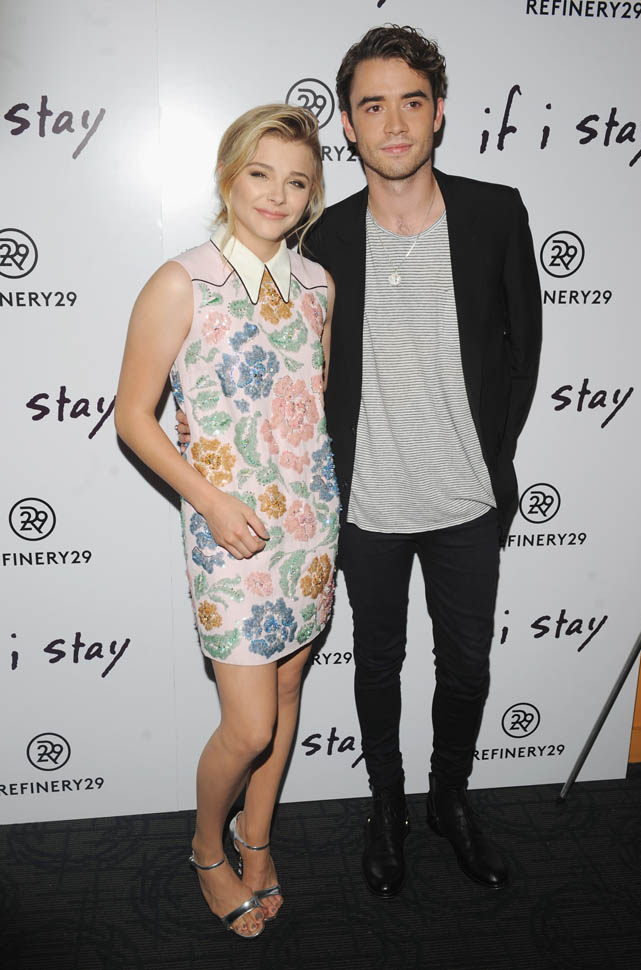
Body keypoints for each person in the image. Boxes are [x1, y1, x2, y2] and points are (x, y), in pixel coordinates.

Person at [178, 24, 541, 898]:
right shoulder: (322, 242)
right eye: (373, 106)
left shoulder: (497, 213)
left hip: (467, 501)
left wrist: (493, 461)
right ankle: (387, 808)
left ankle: (449, 799)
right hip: (363, 507)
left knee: (468, 666)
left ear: (439, 111)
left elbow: (523, 352)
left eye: (412, 101)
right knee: (375, 667)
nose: (395, 123)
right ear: (348, 124)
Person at [115, 104, 339, 938]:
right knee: (247, 726)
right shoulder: (183, 282)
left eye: (297, 182)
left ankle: (258, 837)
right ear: (226, 176)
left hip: (310, 529)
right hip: (227, 535)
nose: (277, 195)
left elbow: (310, 408)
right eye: (260, 174)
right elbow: (132, 417)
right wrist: (209, 500)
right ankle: (208, 847)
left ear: (313, 195)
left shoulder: (319, 286)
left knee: (286, 691)